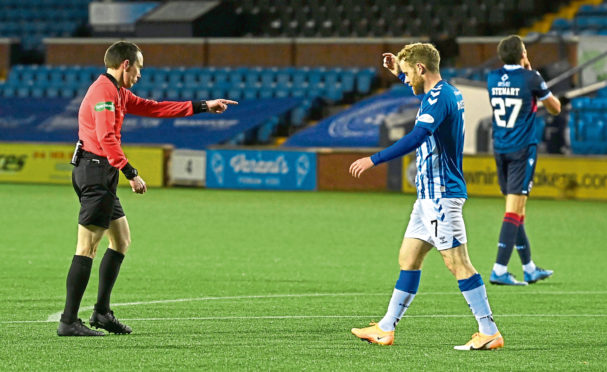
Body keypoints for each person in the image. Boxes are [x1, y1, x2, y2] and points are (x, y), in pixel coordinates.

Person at [57, 41, 237, 336]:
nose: (140, 75)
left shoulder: (118, 92)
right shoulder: (103, 92)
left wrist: (204, 105)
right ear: (126, 64)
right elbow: (105, 137)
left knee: (121, 240)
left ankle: (101, 313)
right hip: (95, 171)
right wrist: (131, 173)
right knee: (87, 247)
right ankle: (68, 321)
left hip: (100, 172)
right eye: (138, 67)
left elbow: (156, 108)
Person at [349, 43, 503, 350]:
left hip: (441, 195)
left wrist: (374, 159)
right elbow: (424, 95)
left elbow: (418, 136)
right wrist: (398, 70)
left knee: (458, 263)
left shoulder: (439, 97)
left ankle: (489, 331)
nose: (404, 80)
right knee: (408, 258)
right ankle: (385, 328)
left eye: (407, 73)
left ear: (421, 68)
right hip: (428, 198)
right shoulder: (446, 92)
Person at [487, 35, 561, 286]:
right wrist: (534, 76)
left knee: (518, 210)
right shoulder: (531, 78)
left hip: (500, 147)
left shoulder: (492, 78)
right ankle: (499, 269)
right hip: (522, 149)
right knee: (513, 210)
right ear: (523, 55)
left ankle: (529, 268)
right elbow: (554, 108)